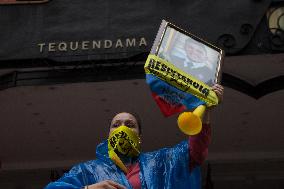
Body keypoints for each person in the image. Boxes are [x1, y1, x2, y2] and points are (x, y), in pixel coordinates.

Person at [45, 84, 224, 189]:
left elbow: (195, 151)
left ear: (140, 136)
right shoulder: (87, 170)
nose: (122, 128)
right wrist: (87, 188)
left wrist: (206, 109)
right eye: (116, 125)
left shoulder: (161, 161)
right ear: (109, 135)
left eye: (130, 125)